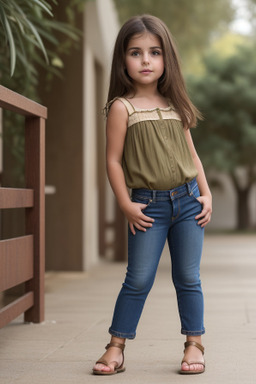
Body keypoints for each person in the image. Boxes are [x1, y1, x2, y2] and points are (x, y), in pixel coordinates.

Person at [92, 14, 212, 376]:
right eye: (135, 52)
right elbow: (113, 161)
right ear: (122, 60)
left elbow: (191, 156)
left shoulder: (177, 104)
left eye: (154, 52)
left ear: (166, 59)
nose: (146, 60)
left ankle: (194, 342)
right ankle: (116, 346)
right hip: (148, 206)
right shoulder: (121, 107)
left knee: (188, 277)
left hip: (189, 201)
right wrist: (125, 204)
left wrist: (206, 194)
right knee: (139, 278)